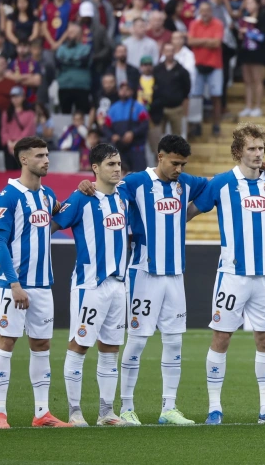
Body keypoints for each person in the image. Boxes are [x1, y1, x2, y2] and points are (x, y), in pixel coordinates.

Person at [77, 134, 209, 426]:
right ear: (160, 157)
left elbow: (216, 187)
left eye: (183, 164)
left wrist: (259, 170)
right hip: (143, 273)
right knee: (136, 342)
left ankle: (169, 409)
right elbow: (105, 191)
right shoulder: (136, 182)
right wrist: (85, 184)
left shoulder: (185, 183)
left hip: (175, 275)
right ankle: (126, 407)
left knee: (174, 342)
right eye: (175, 163)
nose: (179, 169)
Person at [185, 123, 265, 425]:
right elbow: (190, 211)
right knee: (221, 338)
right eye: (251, 149)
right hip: (232, 275)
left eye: (261, 149)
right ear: (237, 152)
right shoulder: (221, 183)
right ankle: (214, 408)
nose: (257, 154)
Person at [0, 136, 69, 429]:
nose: (46, 160)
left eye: (47, 155)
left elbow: (65, 209)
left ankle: (42, 413)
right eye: (40, 156)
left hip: (42, 284)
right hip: (14, 285)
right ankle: (0, 414)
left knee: (41, 343)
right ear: (24, 159)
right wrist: (14, 284)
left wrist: (83, 189)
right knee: (7, 341)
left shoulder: (47, 195)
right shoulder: (8, 196)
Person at [52, 144, 129, 427]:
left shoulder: (124, 196)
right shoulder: (81, 197)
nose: (117, 168)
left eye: (118, 163)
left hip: (118, 285)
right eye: (110, 164)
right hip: (89, 285)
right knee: (79, 345)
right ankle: (74, 412)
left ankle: (106, 412)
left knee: (110, 348)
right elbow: (51, 225)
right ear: (95, 168)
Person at [189, 2, 224, 136]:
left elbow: (216, 43)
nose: (205, 13)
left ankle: (216, 125)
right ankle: (197, 125)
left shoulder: (218, 24)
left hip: (215, 65)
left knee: (216, 96)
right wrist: (207, 41)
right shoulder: (194, 24)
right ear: (199, 12)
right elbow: (190, 41)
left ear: (211, 11)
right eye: (202, 11)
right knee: (196, 97)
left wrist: (199, 41)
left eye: (207, 10)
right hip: (198, 65)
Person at [151, 42, 191, 156]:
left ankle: (178, 161)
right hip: (160, 108)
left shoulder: (182, 70)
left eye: (171, 51)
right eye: (167, 51)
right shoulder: (157, 69)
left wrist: (179, 99)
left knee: (178, 138)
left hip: (176, 108)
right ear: (163, 52)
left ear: (174, 53)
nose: (169, 54)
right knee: (159, 137)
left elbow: (186, 89)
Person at [236, 0, 265, 118]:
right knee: (247, 80)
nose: (248, 6)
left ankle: (257, 106)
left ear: (257, 4)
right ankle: (248, 106)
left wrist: (249, 32)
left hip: (258, 52)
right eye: (247, 3)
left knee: (257, 80)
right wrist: (241, 35)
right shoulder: (244, 19)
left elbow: (263, 37)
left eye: (251, 3)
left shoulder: (262, 18)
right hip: (245, 52)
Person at [104, 82, 149, 172]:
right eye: (122, 89)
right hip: (119, 149)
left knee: (139, 176)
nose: (124, 92)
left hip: (136, 149)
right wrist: (112, 136)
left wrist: (133, 133)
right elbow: (105, 127)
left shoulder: (139, 107)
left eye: (127, 89)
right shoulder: (113, 108)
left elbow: (145, 124)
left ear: (132, 92)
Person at [56, 24, 92, 115]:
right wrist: (76, 60)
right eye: (69, 32)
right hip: (64, 85)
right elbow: (59, 63)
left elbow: (84, 62)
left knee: (83, 114)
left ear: (79, 35)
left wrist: (67, 60)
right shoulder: (61, 48)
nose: (69, 35)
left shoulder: (86, 48)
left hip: (82, 86)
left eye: (72, 33)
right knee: (64, 114)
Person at [1, 87, 37, 170]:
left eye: (18, 96)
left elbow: (29, 130)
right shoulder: (6, 113)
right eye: (13, 97)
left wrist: (17, 143)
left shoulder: (30, 113)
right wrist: (9, 142)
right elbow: (4, 130)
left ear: (23, 97)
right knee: (10, 171)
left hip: (24, 146)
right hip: (9, 147)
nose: (15, 99)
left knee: (23, 171)